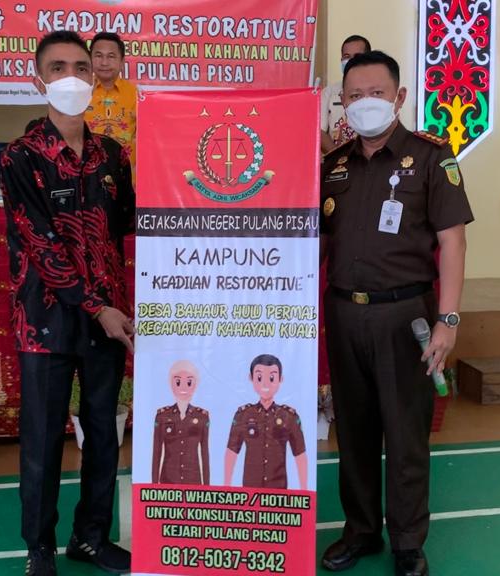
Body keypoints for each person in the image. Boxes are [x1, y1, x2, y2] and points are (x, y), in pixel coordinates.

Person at [319, 51, 473, 576]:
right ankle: (361, 530)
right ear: (343, 103)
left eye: (377, 93)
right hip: (345, 314)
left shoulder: (431, 157)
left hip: (407, 316)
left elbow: (453, 242)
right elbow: (315, 243)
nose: (366, 103)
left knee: (406, 435)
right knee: (354, 431)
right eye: (355, 95)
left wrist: (448, 320)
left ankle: (408, 541)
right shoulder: (334, 165)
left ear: (399, 97)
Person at [1, 30, 135, 576]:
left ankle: (90, 537)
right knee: (42, 439)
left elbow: (130, 223)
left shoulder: (112, 155)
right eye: (58, 68)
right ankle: (39, 547)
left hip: (108, 319)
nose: (73, 77)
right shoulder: (19, 157)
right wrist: (97, 305)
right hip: (47, 318)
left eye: (82, 66)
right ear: (40, 80)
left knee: (103, 432)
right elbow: (42, 244)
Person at [225, 354, 308, 490]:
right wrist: (226, 487)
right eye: (259, 377)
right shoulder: (243, 415)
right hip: (250, 489)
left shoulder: (289, 416)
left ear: (280, 379)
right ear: (251, 378)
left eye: (271, 378)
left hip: (278, 488)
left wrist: (304, 489)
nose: (265, 384)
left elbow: (300, 455)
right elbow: (231, 452)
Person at [152, 360, 211, 485]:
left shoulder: (202, 417)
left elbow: (205, 454)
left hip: (193, 481)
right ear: (171, 384)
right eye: (178, 382)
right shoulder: (162, 416)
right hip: (168, 480)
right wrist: (154, 486)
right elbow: (156, 453)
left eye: (189, 382)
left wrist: (207, 487)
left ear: (196, 384)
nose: (183, 388)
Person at [86, 32, 137, 176]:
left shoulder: (135, 95)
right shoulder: (80, 92)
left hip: (125, 177)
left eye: (111, 56)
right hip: (87, 176)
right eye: (98, 56)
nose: (104, 63)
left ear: (122, 62)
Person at [321, 35, 371, 154]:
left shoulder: (377, 92)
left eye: (357, 56)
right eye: (346, 56)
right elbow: (320, 131)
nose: (351, 61)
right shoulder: (329, 92)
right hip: (336, 158)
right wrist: (340, 157)